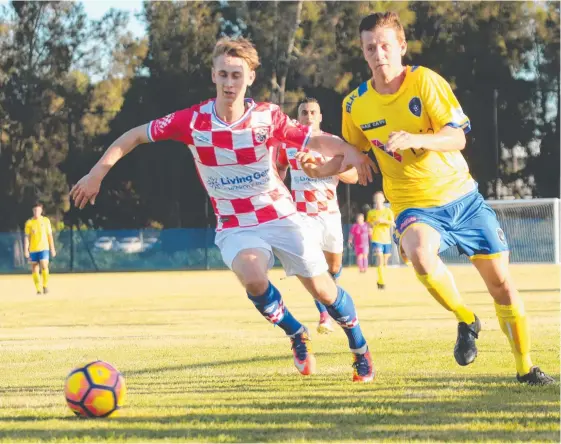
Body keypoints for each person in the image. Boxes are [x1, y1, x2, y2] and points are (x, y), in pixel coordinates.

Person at [69, 37, 376, 382]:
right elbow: (135, 136)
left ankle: (360, 349)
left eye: (237, 76)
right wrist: (97, 173)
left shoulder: (267, 117)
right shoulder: (193, 121)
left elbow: (315, 139)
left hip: (280, 215)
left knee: (322, 290)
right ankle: (295, 333)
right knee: (254, 278)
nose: (230, 83)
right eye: (224, 75)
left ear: (250, 79)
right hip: (235, 223)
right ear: (213, 76)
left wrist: (353, 153)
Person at [338, 12, 553, 384]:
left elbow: (458, 137)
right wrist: (321, 169)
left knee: (501, 285)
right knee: (420, 253)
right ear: (363, 51)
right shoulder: (354, 105)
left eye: (386, 45)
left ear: (401, 46)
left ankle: (525, 368)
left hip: (463, 199)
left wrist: (416, 138)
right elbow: (354, 165)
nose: (379, 54)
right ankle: (466, 318)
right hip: (412, 204)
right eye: (370, 47)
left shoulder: (425, 82)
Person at [276, 97, 358, 335]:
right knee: (314, 266)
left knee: (334, 267)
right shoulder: (288, 144)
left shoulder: (333, 143)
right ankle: (324, 316)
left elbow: (353, 176)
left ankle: (332, 299)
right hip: (303, 217)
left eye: (313, 112)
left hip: (330, 215)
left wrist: (330, 167)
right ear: (299, 116)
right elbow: (280, 167)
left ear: (320, 116)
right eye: (304, 112)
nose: (309, 116)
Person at [24, 202, 56, 294]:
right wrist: (26, 249)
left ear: (41, 210)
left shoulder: (45, 221)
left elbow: (50, 236)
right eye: (34, 210)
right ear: (32, 211)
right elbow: (27, 237)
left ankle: (45, 286)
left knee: (44, 265)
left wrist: (52, 248)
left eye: (38, 210)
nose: (36, 212)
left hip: (44, 248)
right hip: (33, 249)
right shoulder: (29, 223)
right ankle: (38, 289)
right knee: (34, 268)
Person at [366, 191, 394, 289]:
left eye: (380, 198)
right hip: (376, 239)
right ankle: (382, 282)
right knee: (380, 259)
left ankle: (381, 279)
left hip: (387, 239)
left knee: (385, 262)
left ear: (383, 200)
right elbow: (368, 224)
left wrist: (384, 221)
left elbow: (393, 223)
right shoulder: (371, 212)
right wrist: (373, 224)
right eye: (376, 198)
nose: (378, 200)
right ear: (374, 200)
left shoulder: (388, 211)